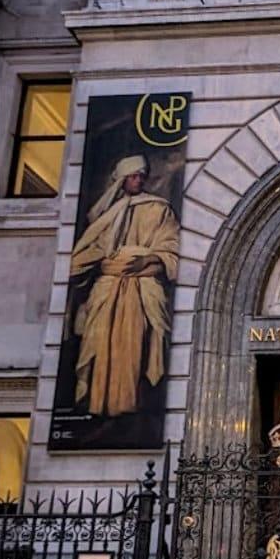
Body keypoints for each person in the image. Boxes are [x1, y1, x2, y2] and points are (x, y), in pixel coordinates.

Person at [66, 153, 180, 417]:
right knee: (99, 343)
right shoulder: (106, 213)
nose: (137, 180)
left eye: (141, 176)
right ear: (121, 180)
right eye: (132, 176)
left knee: (134, 348)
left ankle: (128, 406)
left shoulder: (158, 208)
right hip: (108, 288)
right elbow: (93, 248)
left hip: (140, 289)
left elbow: (170, 245)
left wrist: (147, 260)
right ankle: (98, 406)